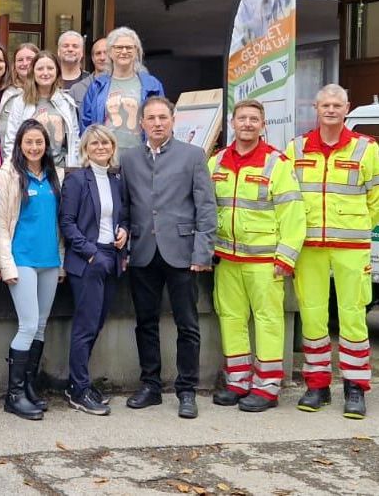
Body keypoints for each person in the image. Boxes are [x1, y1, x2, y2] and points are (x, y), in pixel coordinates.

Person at [285, 84, 379, 419]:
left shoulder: (366, 149)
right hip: (308, 246)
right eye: (325, 104)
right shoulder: (296, 148)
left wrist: (357, 226)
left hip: (351, 246)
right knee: (312, 314)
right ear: (316, 107)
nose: (330, 110)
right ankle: (317, 385)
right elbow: (288, 197)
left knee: (353, 316)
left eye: (337, 105)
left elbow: (376, 199)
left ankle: (355, 387)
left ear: (347, 108)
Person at [120, 96, 216, 419]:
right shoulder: (130, 159)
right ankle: (150, 385)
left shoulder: (193, 156)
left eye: (163, 117)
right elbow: (125, 206)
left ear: (173, 120)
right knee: (145, 322)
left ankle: (186, 389)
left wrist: (203, 251)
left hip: (183, 253)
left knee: (187, 324)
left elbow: (205, 207)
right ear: (142, 123)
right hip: (143, 251)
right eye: (151, 118)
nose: (157, 123)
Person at [209, 100, 306, 413]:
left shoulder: (276, 164)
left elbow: (293, 213)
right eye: (242, 119)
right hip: (226, 258)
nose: (247, 124)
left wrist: (286, 258)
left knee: (268, 321)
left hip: (266, 261)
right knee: (231, 318)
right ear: (233, 123)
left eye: (254, 119)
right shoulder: (217, 161)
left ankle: (267, 387)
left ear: (263, 125)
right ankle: (238, 382)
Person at [0, 120, 63, 421]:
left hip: (49, 260)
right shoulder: (9, 174)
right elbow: (1, 223)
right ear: (19, 144)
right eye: (29, 142)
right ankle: (14, 396)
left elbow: (59, 223)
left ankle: (29, 388)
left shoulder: (53, 175)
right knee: (27, 324)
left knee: (41, 324)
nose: (34, 147)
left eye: (39, 142)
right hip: (21, 259)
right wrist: (4, 263)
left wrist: (60, 261)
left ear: (46, 145)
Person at [59, 125, 128, 416]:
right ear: (85, 149)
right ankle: (78, 389)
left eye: (106, 143)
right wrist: (90, 254)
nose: (100, 148)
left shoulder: (115, 179)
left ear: (113, 148)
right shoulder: (76, 180)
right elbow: (67, 222)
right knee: (86, 326)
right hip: (88, 260)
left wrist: (124, 230)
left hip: (112, 257)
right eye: (94, 144)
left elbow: (123, 214)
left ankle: (80, 381)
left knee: (97, 322)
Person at [80, 27, 165, 154]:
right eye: (118, 47)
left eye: (129, 47)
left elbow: (163, 121)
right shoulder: (97, 85)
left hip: (142, 157)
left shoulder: (152, 85)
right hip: (105, 157)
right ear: (110, 52)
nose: (124, 51)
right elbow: (86, 123)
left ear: (136, 51)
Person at [3, 51, 80, 167]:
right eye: (40, 69)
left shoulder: (66, 102)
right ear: (33, 72)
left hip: (60, 169)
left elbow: (74, 140)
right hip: (28, 170)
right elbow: (11, 139)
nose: (45, 73)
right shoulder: (20, 101)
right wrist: (14, 169)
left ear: (57, 71)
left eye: (50, 68)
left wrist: (74, 168)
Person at [0, 43, 40, 144]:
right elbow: (4, 133)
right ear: (14, 65)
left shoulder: (47, 91)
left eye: (29, 59)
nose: (25, 63)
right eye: (20, 60)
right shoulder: (8, 94)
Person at [69, 38, 109, 111]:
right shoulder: (77, 89)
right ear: (93, 58)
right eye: (98, 53)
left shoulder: (125, 85)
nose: (102, 58)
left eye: (106, 53)